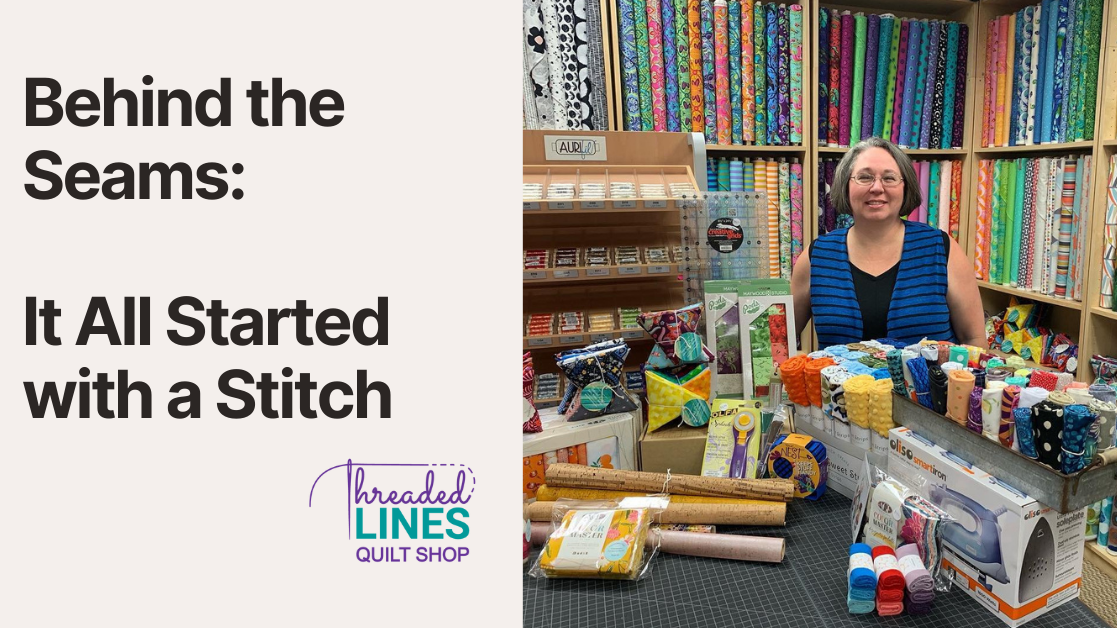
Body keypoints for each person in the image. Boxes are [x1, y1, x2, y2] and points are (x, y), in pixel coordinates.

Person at [790, 137, 985, 348]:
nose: (877, 187)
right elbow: (779, 340)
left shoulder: (942, 249)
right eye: (864, 177)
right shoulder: (817, 257)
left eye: (889, 178)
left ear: (905, 187)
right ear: (845, 186)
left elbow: (973, 340)